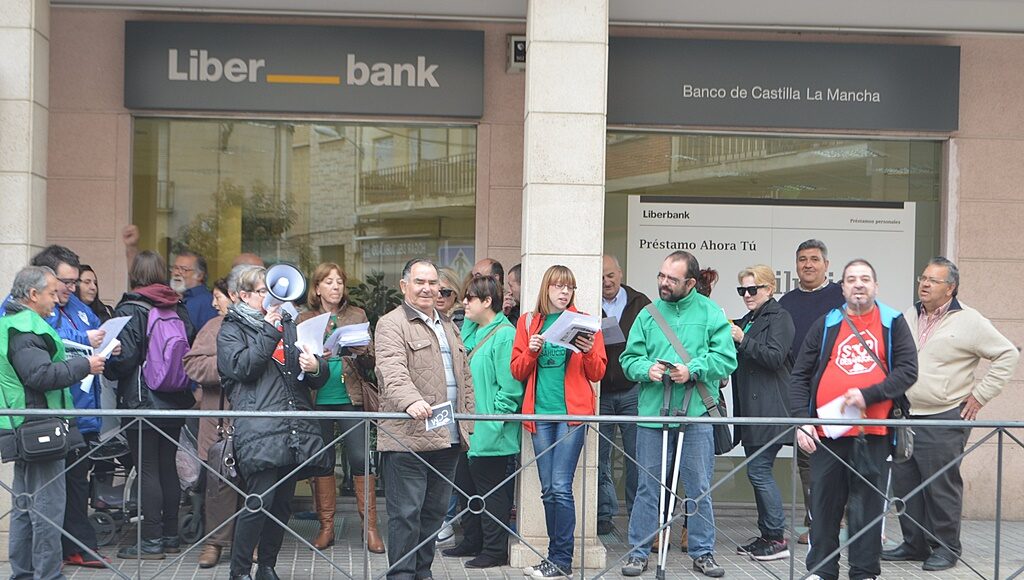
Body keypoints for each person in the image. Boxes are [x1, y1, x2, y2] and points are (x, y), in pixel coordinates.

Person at [883, 257, 1020, 571]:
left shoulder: (969, 320)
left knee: (940, 486)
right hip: (905, 414)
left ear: (951, 288)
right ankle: (914, 544)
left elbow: (1007, 354)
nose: (925, 284)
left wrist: (980, 395)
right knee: (906, 484)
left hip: (943, 416)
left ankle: (946, 548)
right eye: (923, 278)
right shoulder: (909, 314)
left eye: (933, 280)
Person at [790, 259, 918, 580]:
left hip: (873, 434)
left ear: (876, 286)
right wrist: (801, 421)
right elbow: (799, 376)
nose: (858, 284)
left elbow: (908, 371)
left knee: (867, 509)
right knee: (823, 507)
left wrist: (868, 395)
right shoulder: (826, 324)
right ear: (842, 287)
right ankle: (822, 571)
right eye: (851, 279)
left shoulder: (892, 322)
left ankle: (864, 573)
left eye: (865, 279)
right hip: (827, 435)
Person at [619, 251, 736, 578]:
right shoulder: (648, 314)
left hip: (695, 413)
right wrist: (646, 369)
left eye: (672, 279)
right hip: (653, 414)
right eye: (661, 276)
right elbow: (628, 360)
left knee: (698, 487)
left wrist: (693, 369)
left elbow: (727, 359)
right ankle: (639, 552)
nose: (663, 283)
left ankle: (703, 552)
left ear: (691, 282)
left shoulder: (711, 312)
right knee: (648, 486)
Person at [217, 266, 330, 580]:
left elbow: (315, 379)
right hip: (260, 428)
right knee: (258, 502)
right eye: (263, 291)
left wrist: (316, 366)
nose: (271, 297)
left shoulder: (290, 324)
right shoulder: (232, 329)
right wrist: (269, 330)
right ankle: (239, 571)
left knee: (281, 505)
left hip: (293, 427)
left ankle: (266, 566)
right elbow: (243, 368)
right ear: (244, 295)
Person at [1, 246, 109, 568]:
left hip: (29, 426)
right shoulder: (25, 328)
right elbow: (40, 375)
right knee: (47, 507)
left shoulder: (15, 323)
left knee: (25, 505)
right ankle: (46, 573)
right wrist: (84, 365)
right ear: (33, 295)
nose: (56, 299)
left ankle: (24, 572)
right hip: (40, 428)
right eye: (51, 293)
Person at [374, 258, 475, 580]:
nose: (427, 289)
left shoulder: (448, 325)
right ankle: (401, 575)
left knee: (433, 513)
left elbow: (465, 376)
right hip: (408, 436)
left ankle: (422, 573)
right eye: (420, 282)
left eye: (433, 283)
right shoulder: (391, 323)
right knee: (405, 514)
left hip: (447, 435)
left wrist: (468, 420)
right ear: (404, 286)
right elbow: (391, 370)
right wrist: (412, 401)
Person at [511, 264, 607, 579]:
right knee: (548, 489)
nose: (564, 292)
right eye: (558, 286)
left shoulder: (584, 323)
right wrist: (531, 352)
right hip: (540, 415)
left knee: (561, 486)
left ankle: (561, 560)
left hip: (571, 416)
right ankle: (554, 559)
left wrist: (589, 351)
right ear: (546, 288)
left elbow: (597, 373)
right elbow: (517, 370)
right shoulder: (529, 322)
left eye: (569, 287)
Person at [105, 250, 198, 560]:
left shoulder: (130, 308)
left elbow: (125, 359)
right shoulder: (178, 306)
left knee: (146, 469)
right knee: (167, 466)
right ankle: (170, 536)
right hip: (175, 399)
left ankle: (151, 541)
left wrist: (109, 366)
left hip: (142, 401)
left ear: (135, 274)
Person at [298, 263, 384, 554]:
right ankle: (326, 528)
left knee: (360, 459)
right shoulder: (304, 318)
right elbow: (293, 360)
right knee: (322, 462)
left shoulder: (357, 315)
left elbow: (372, 362)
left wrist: (363, 351)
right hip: (317, 397)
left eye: (339, 282)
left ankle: (370, 528)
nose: (335, 287)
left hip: (350, 396)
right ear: (317, 288)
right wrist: (313, 358)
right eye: (329, 282)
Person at [442, 275, 523, 567]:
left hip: (489, 430)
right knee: (467, 487)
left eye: (470, 298)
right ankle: (472, 541)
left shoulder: (505, 334)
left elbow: (510, 388)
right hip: (467, 428)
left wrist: (494, 420)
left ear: (488, 301)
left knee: (491, 493)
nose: (464, 303)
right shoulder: (471, 330)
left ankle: (494, 550)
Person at [182, 264, 256, 568]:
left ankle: (250, 542)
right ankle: (214, 542)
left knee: (253, 482)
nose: (214, 303)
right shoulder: (213, 327)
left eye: (218, 297)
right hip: (219, 421)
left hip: (253, 418)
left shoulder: (263, 324)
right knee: (218, 484)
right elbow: (192, 364)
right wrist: (227, 366)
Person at [777, 239, 844, 545]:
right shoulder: (787, 303)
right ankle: (817, 524)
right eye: (802, 259)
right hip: (804, 393)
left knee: (844, 458)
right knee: (808, 460)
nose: (808, 264)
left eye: (814, 259)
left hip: (838, 393)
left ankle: (848, 520)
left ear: (826, 265)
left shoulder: (841, 298)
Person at [729, 265, 795, 561]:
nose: (747, 295)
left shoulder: (780, 317)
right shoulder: (749, 319)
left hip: (770, 408)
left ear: (769, 289)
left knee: (758, 471)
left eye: (752, 289)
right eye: (742, 290)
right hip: (752, 409)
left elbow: (775, 357)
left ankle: (777, 537)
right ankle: (768, 535)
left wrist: (743, 339)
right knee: (757, 471)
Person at [597, 255, 650, 536]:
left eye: (610, 275)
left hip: (633, 391)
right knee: (599, 458)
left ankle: (637, 517)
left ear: (620, 273)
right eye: (601, 277)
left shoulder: (641, 303)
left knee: (637, 457)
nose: (606, 282)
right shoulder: (587, 304)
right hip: (600, 392)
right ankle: (603, 514)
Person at [171, 250, 219, 332]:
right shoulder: (168, 298)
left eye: (184, 269)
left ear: (199, 275)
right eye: (175, 268)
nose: (176, 273)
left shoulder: (208, 302)